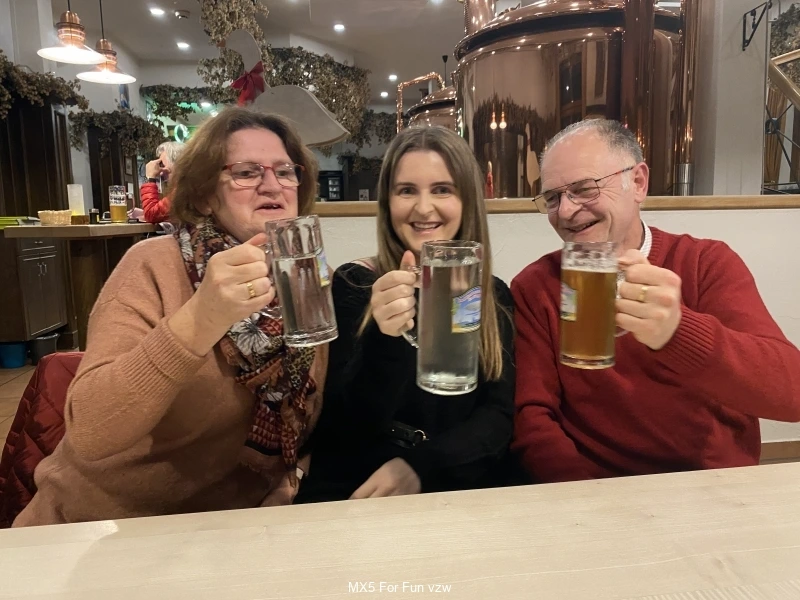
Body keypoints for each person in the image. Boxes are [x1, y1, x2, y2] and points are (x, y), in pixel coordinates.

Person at [14, 108, 325, 526]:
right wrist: (200, 319)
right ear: (204, 196)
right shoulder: (153, 265)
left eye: (285, 171)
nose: (272, 184)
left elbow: (318, 415)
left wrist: (294, 474)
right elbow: (91, 431)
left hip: (227, 534)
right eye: (247, 172)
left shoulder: (304, 280)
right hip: (98, 527)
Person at [511, 119, 800, 483]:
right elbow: (533, 418)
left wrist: (678, 332)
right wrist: (586, 498)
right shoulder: (535, 286)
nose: (566, 211)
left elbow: (791, 394)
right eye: (553, 198)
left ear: (638, 183)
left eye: (584, 189)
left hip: (710, 486)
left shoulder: (705, 263)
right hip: (596, 490)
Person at [295, 126, 516, 503]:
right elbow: (343, 426)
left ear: (467, 200)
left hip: (457, 488)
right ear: (388, 202)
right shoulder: (356, 284)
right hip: (364, 491)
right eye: (407, 190)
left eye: (442, 189)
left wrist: (421, 466)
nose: (423, 208)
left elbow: (498, 417)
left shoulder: (493, 294)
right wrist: (385, 338)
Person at [140, 141, 184, 223]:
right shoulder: (189, 185)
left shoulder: (183, 190)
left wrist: (150, 178)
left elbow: (151, 215)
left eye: (162, 165)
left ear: (177, 163)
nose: (160, 172)